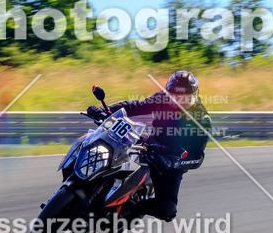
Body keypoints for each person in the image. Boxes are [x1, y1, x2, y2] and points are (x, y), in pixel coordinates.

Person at [85, 71, 211, 222]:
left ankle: (131, 209)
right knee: (108, 145)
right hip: (150, 143)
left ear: (195, 95)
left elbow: (197, 157)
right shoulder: (162, 98)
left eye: (185, 98)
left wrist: (173, 162)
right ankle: (90, 186)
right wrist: (107, 110)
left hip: (170, 161)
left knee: (167, 211)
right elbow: (135, 106)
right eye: (175, 97)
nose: (179, 102)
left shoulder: (202, 119)